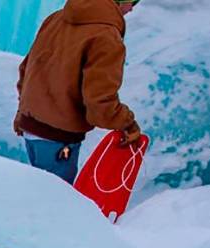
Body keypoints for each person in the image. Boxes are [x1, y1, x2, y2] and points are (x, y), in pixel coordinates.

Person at [14, 0, 142, 184]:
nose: (131, 8)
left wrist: (22, 114)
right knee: (55, 203)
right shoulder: (106, 36)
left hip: (31, 128)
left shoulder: (57, 18)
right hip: (58, 138)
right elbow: (99, 102)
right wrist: (128, 124)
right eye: (133, 2)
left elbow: (28, 70)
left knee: (39, 195)